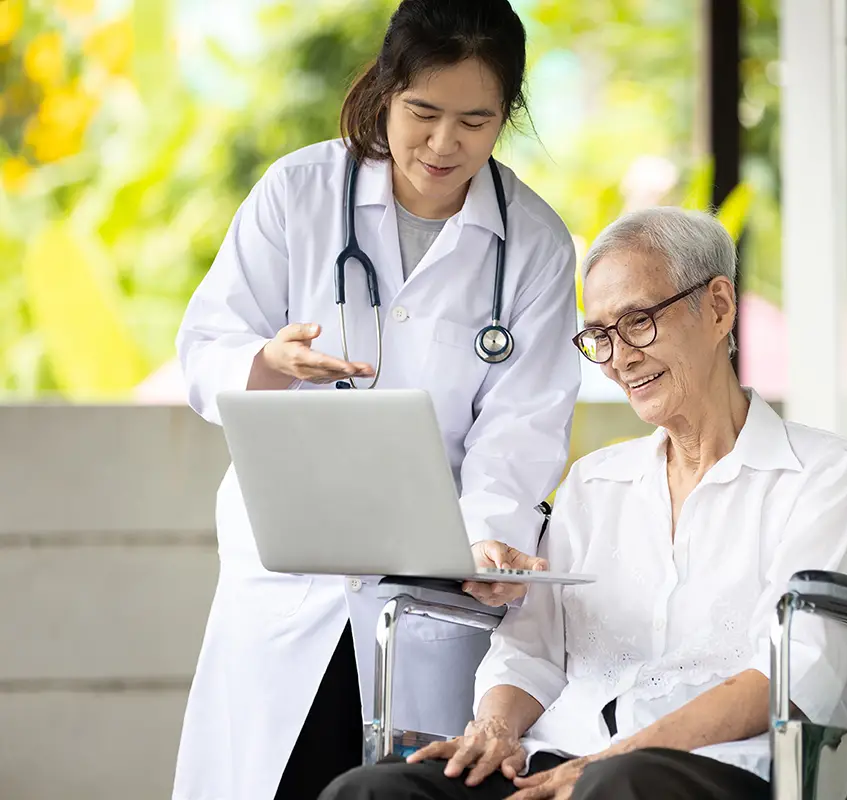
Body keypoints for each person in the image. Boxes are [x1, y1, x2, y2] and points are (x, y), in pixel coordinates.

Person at [318, 207, 847, 800]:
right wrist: (494, 729)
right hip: (559, 759)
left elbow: (791, 677)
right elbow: (531, 651)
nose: (619, 358)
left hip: (721, 769)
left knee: (616, 787)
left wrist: (607, 761)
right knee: (374, 791)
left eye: (638, 322)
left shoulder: (822, 475)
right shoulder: (594, 483)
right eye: (601, 336)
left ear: (718, 306)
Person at [171, 2, 581, 798]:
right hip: (291, 575)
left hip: (430, 591)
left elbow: (522, 425)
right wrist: (267, 360)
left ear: (508, 116)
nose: (443, 143)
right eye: (423, 113)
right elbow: (202, 347)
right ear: (386, 90)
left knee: (389, 788)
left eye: (475, 119)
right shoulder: (300, 193)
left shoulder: (533, 243)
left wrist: (488, 538)